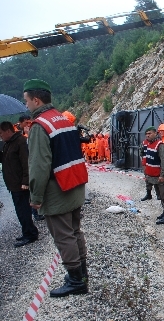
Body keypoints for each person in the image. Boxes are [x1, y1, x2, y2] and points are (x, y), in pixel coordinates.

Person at [23, 79, 89, 297]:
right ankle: (82, 273)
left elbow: (39, 166)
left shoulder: (40, 126)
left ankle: (76, 280)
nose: (26, 106)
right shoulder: (64, 119)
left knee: (63, 236)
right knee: (75, 231)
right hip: (75, 185)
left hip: (57, 190)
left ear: (36, 100)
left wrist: (36, 196)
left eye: (26, 101)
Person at [0, 121, 39, 247]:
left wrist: (25, 181)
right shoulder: (8, 144)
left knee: (23, 210)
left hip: (20, 184)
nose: (0, 136)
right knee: (19, 210)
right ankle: (27, 231)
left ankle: (31, 234)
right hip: (13, 184)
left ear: (7, 131)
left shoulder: (20, 142)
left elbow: (26, 162)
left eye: (1, 133)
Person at [142, 126, 164, 224]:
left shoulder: (160, 145)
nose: (148, 136)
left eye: (149, 133)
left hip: (160, 176)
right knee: (160, 195)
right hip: (153, 176)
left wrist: (162, 175)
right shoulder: (149, 144)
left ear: (155, 133)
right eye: (146, 134)